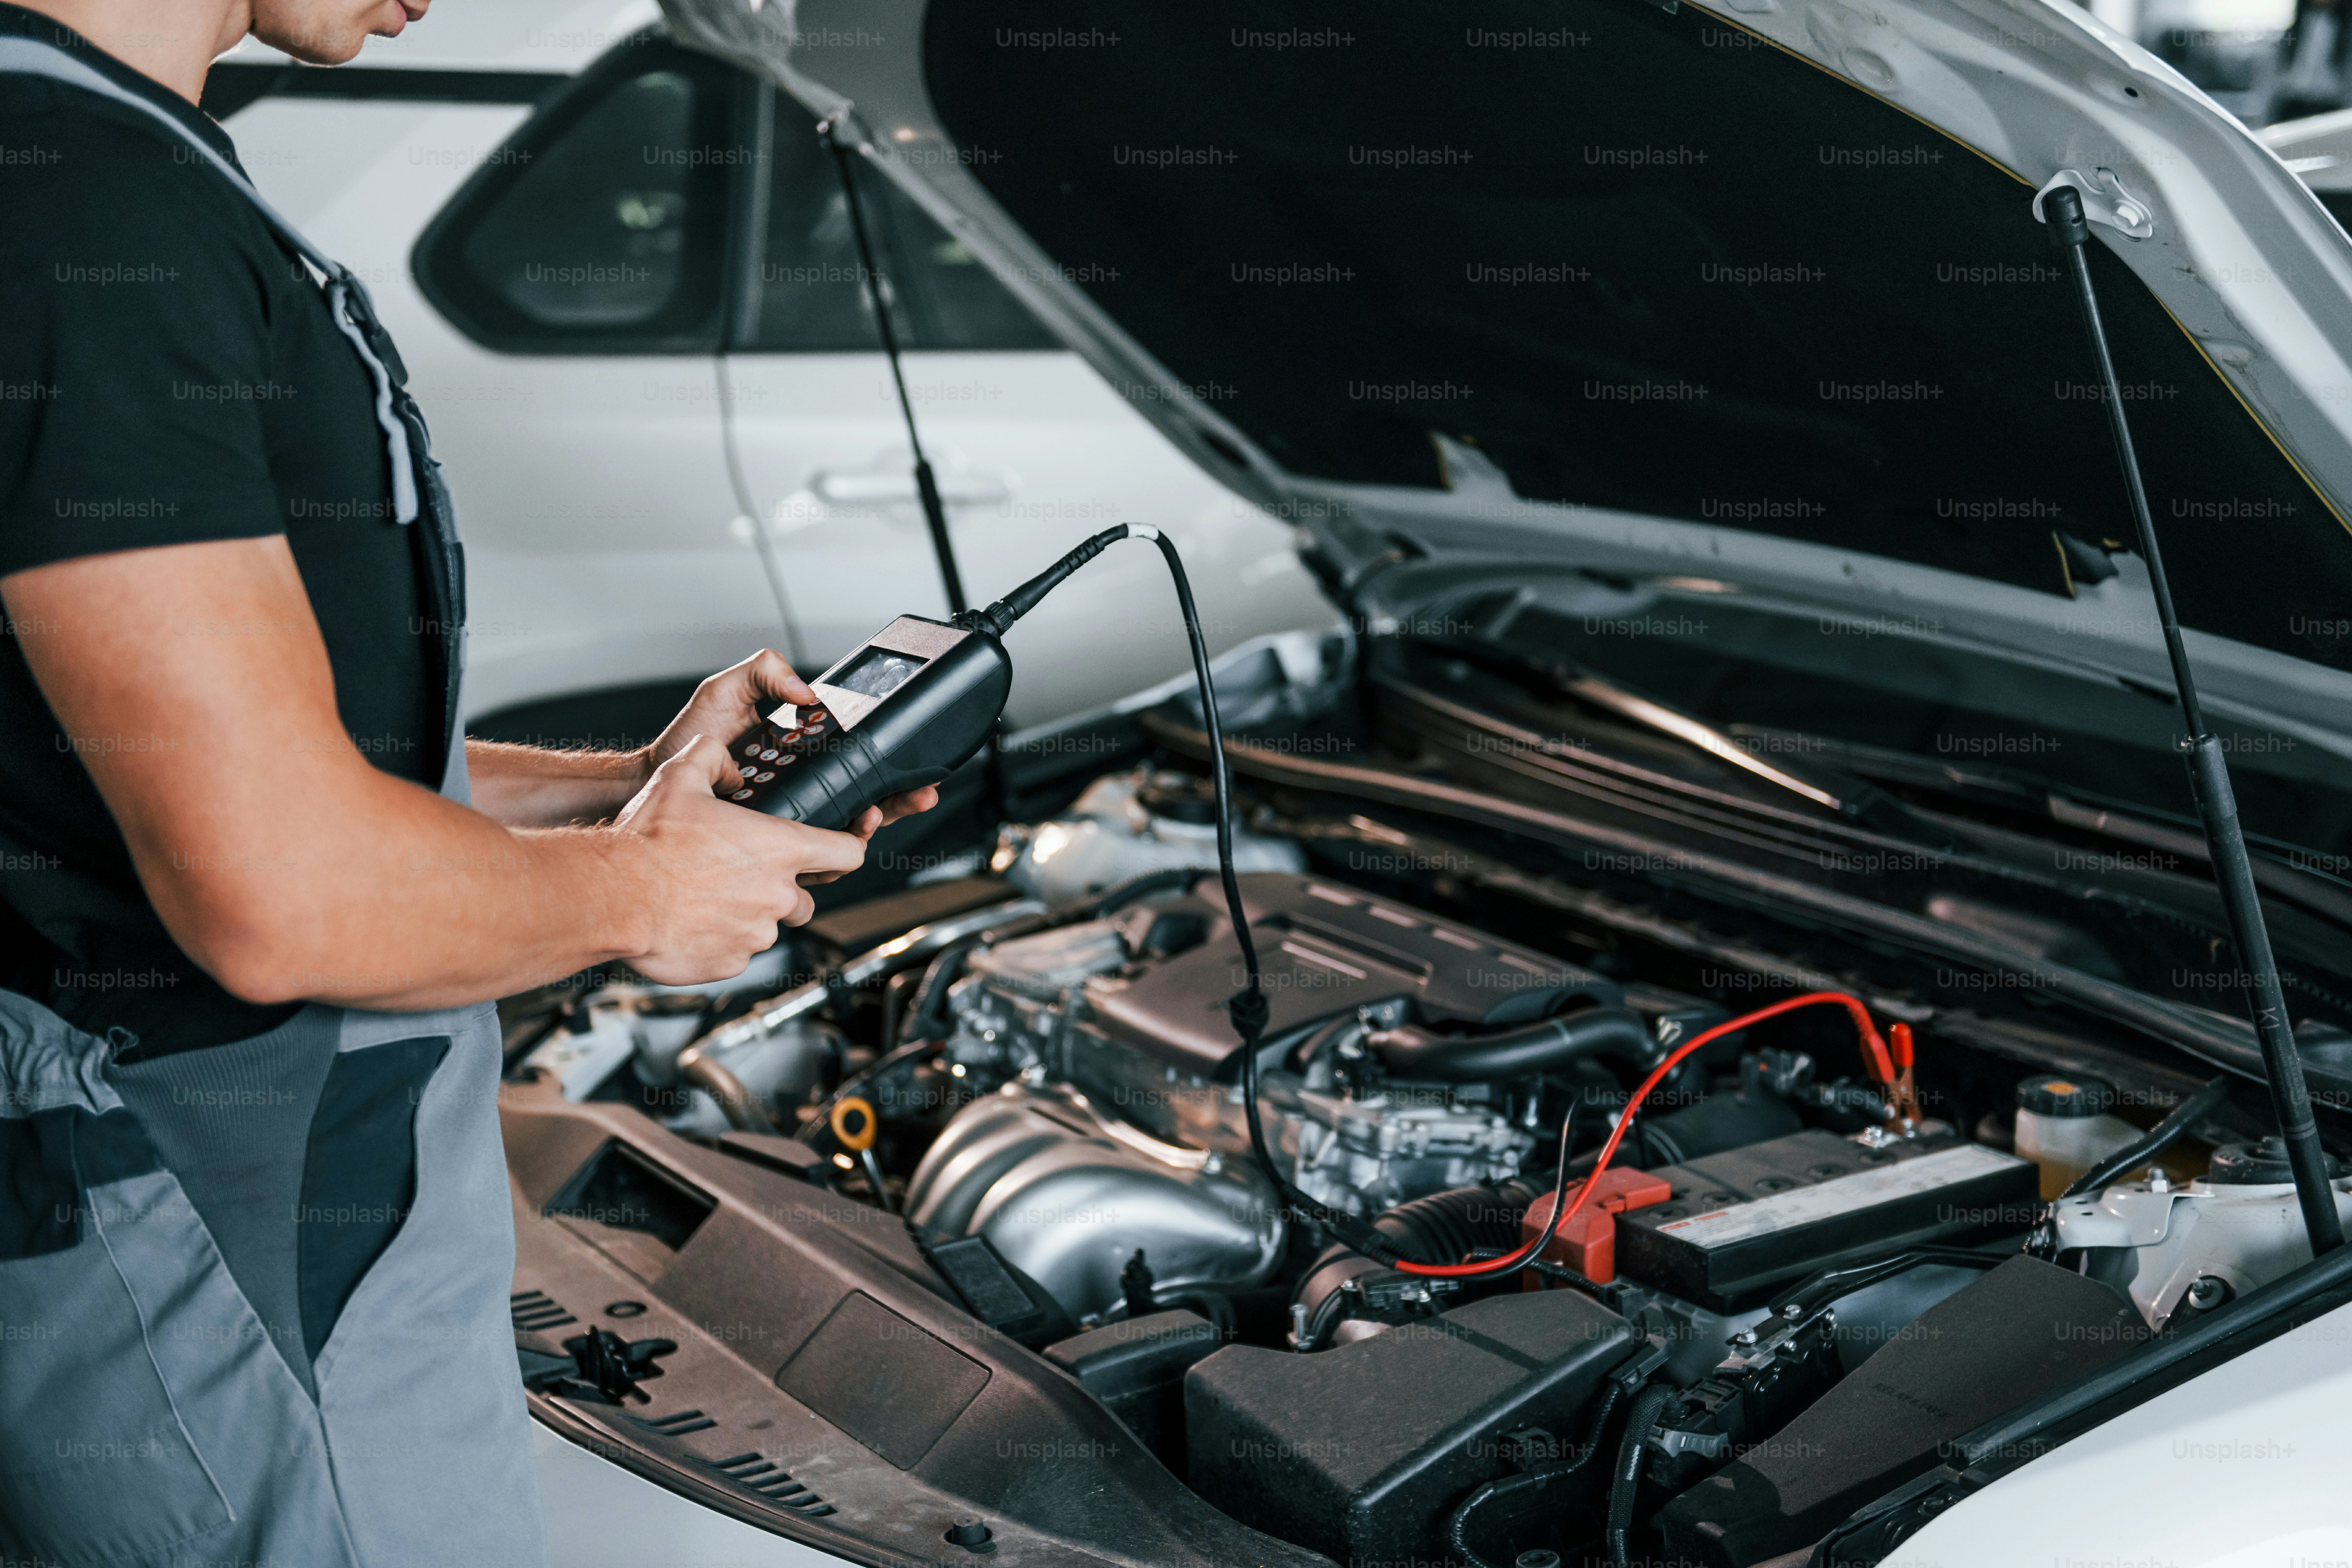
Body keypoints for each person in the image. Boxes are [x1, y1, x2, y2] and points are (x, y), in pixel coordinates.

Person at [0, 0, 933, 1563]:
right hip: (236, 1213)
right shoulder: (85, 209)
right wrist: (645, 895)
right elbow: (276, 892)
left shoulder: (95, 164)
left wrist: (627, 788)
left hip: (246, 1192)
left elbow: (249, 751)